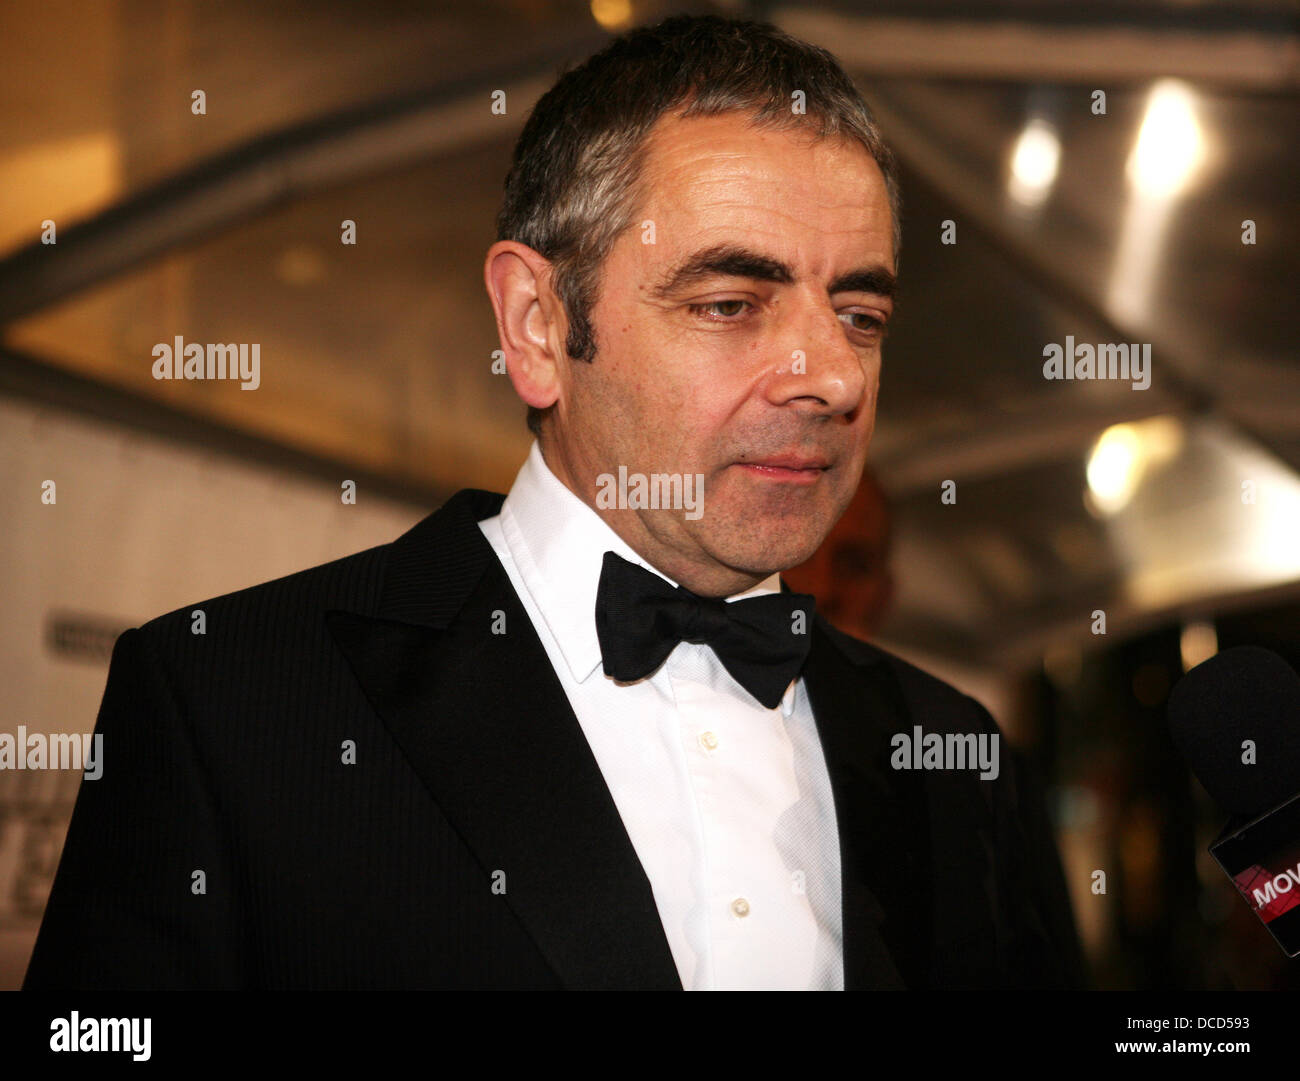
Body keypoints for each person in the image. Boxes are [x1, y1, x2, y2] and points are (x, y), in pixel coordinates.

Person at [24, 14, 1083, 990]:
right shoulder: (233, 707)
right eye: (729, 303)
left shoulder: (954, 754)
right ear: (536, 324)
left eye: (858, 313)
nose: (832, 376)